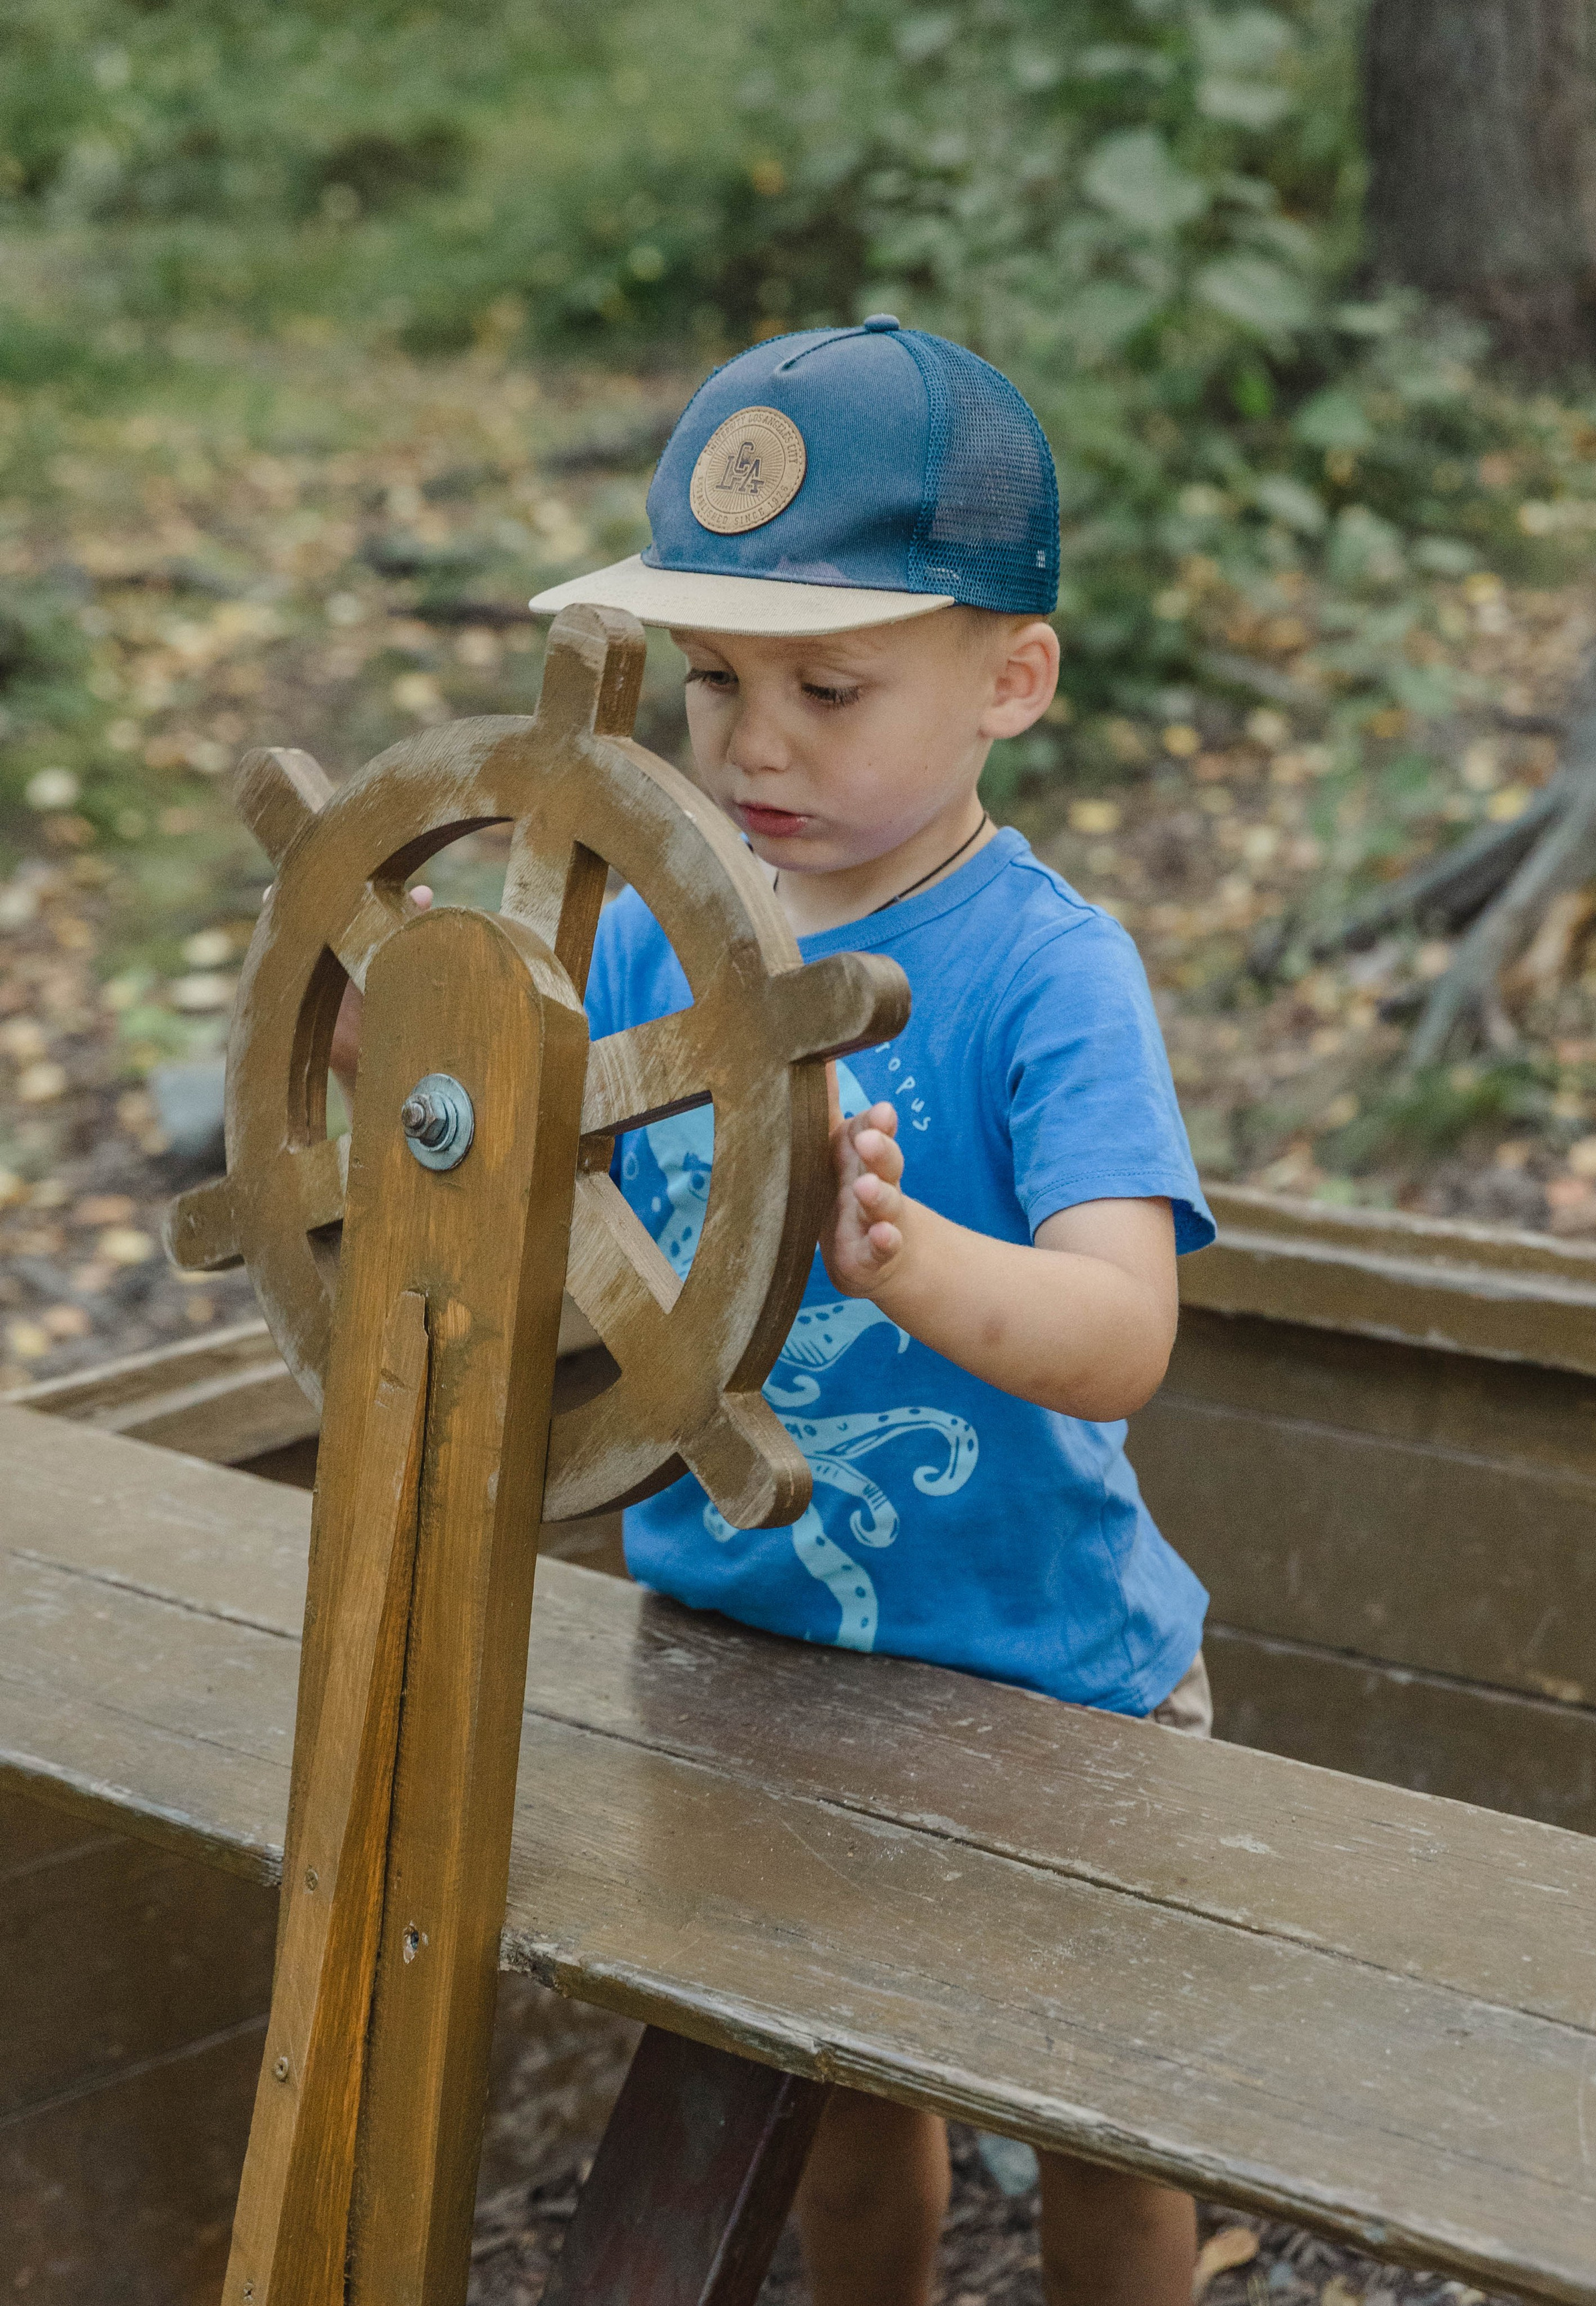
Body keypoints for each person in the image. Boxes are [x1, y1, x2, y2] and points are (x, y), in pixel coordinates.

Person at [346, 316, 1215, 2306]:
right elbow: (509, 1184)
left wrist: (903, 1257)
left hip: (1049, 1684)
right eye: (718, 679)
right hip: (740, 1663)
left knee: (1110, 2129)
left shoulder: (1049, 976)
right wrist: (396, 1073)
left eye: (831, 685)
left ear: (1015, 677)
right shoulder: (649, 936)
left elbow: (1120, 1330)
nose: (753, 744)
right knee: (836, 2119)